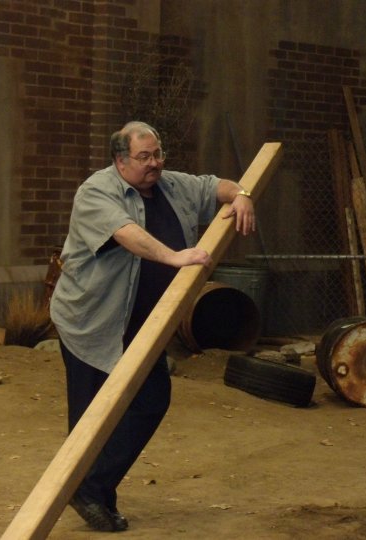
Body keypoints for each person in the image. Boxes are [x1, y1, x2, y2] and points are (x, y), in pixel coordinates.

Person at [50, 121, 255, 532]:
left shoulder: (173, 185)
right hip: (92, 323)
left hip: (144, 326)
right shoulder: (96, 191)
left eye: (157, 154)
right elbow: (127, 233)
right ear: (120, 160)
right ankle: (93, 496)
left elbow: (215, 186)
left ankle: (91, 489)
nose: (154, 163)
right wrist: (174, 256)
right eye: (143, 157)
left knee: (150, 401)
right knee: (91, 419)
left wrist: (242, 195)